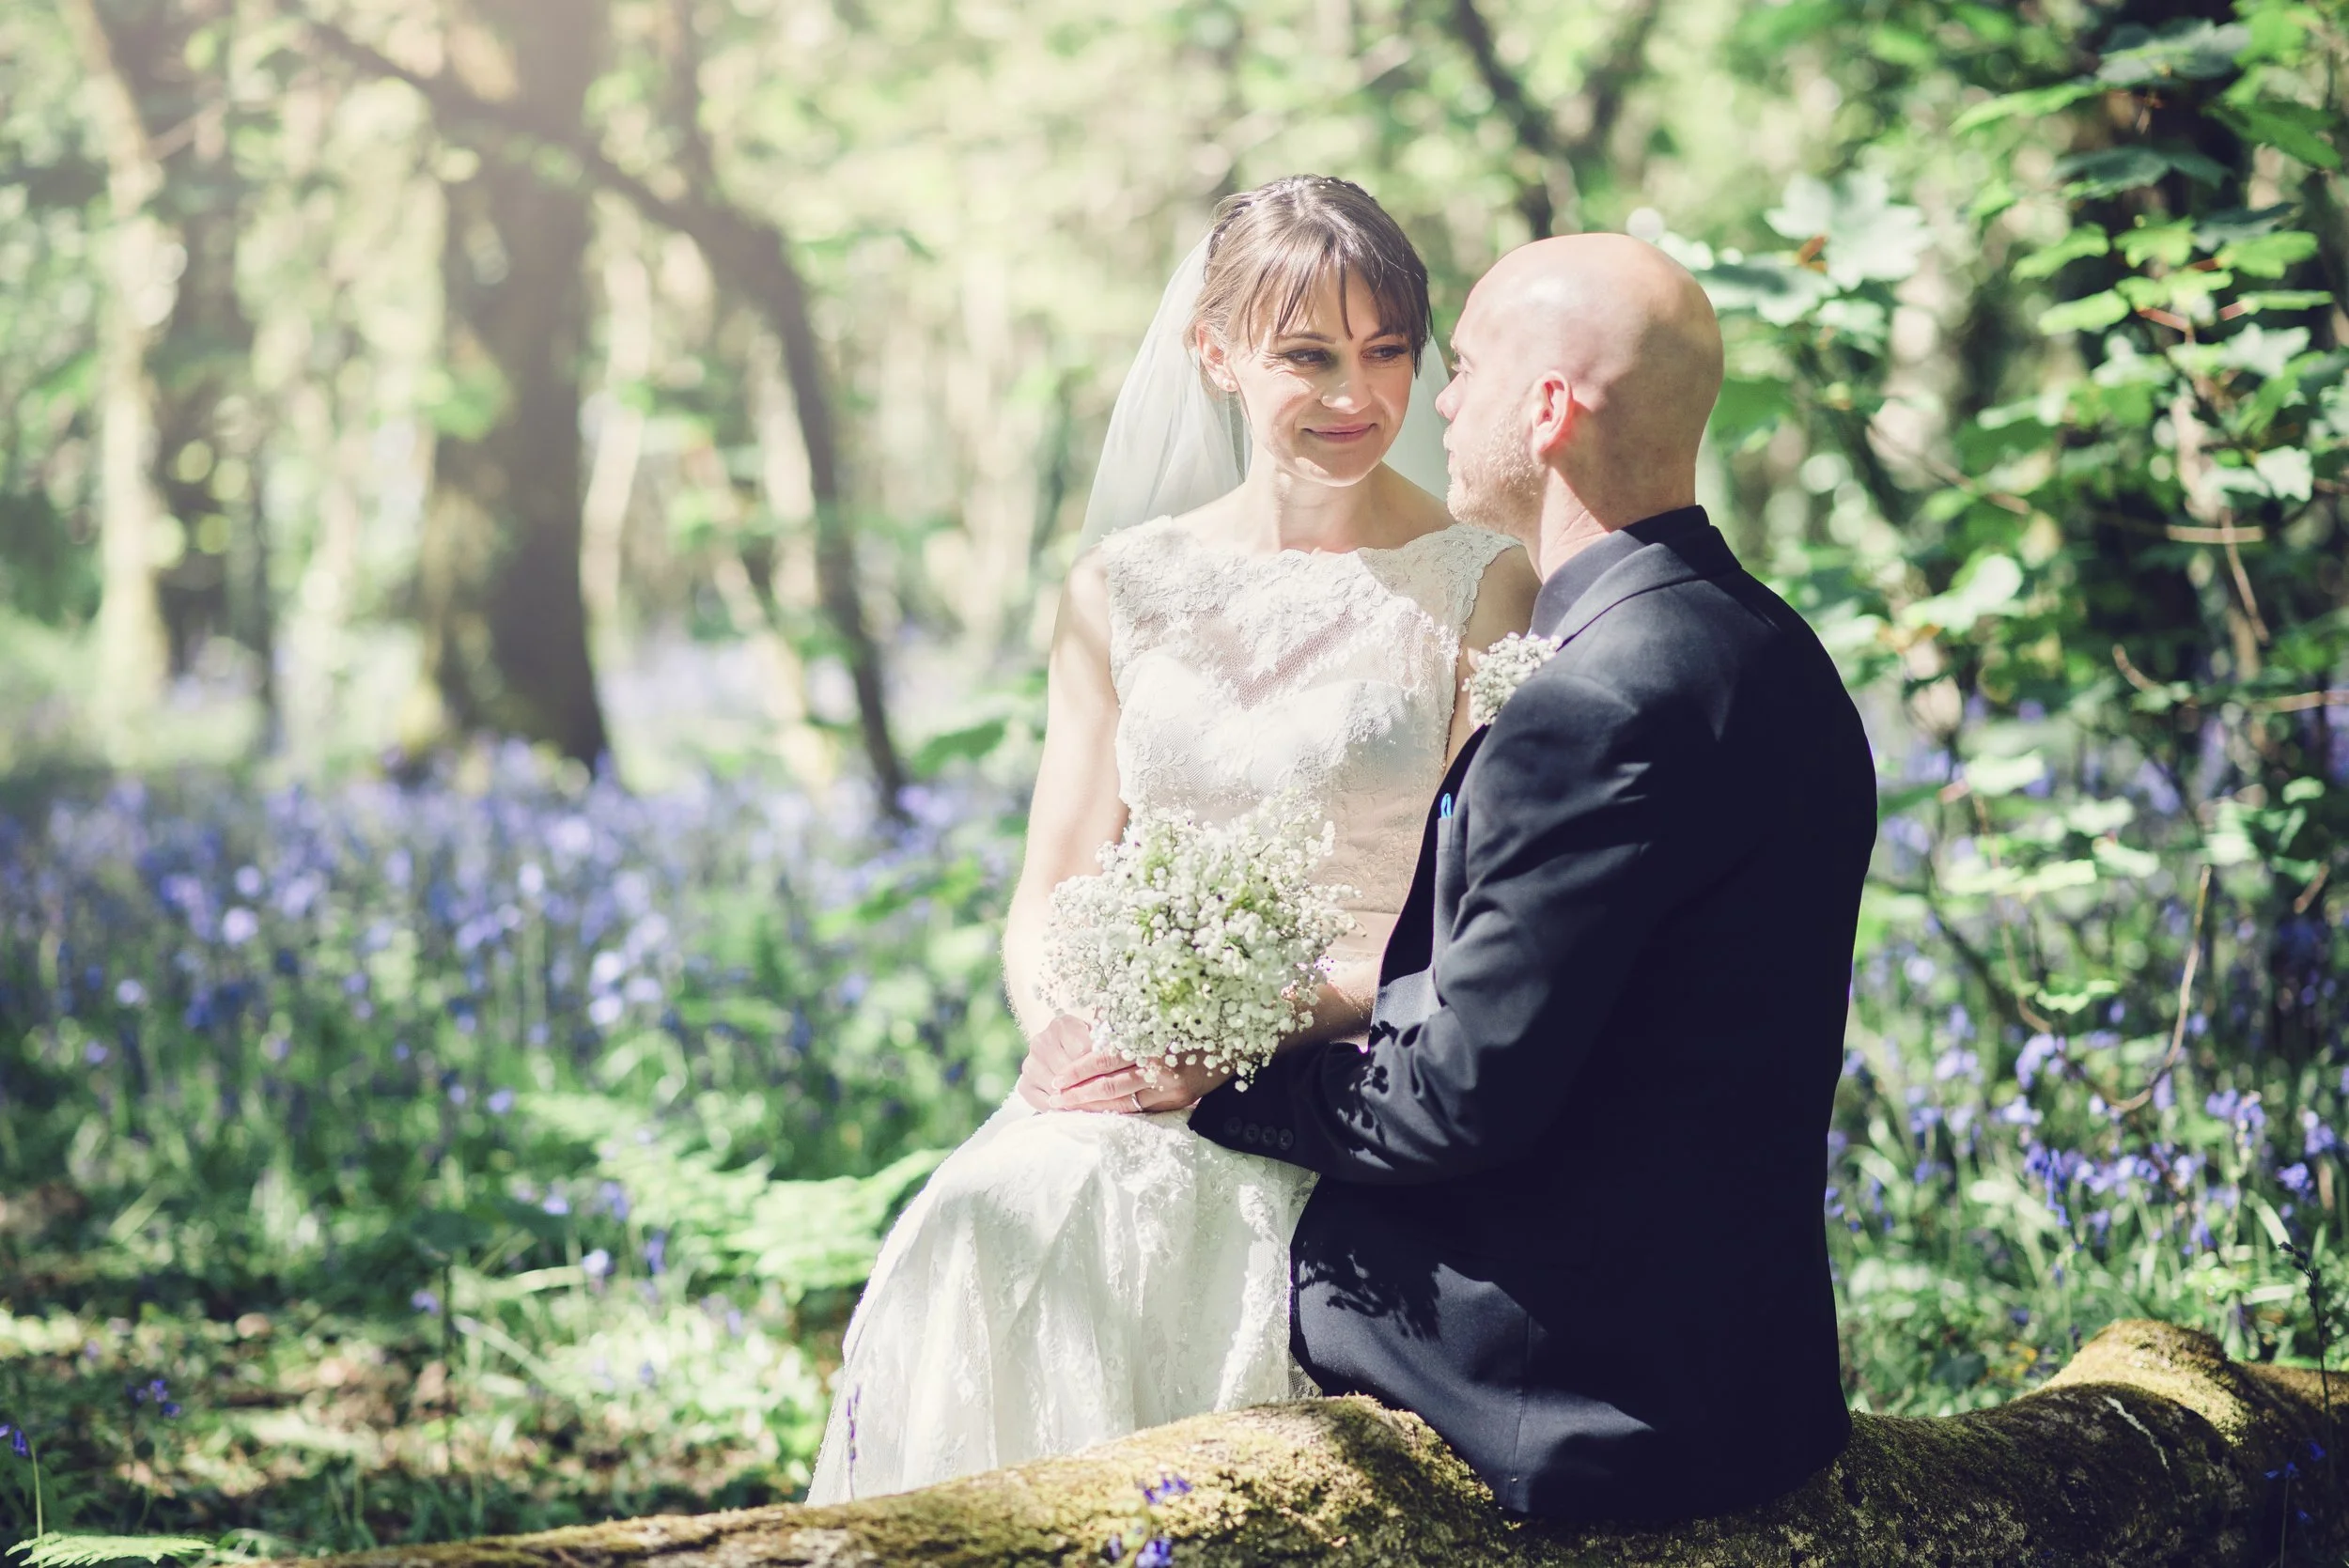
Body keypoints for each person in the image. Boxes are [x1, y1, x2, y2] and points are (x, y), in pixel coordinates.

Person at [1034, 233, 1875, 1522]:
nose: (1435, 401)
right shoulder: (1771, 648)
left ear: (1547, 412)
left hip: (1573, 1385)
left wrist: (1214, 1084)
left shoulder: (1589, 702)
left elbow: (1445, 1108)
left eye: (1460, 366)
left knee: (1164, 1258)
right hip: (1754, 1374)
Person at [802, 175, 1538, 1503]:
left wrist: (1262, 1031)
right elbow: (1052, 887)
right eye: (1307, 355)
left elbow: (1482, 924)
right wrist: (1083, 1033)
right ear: (1215, 354)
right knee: (988, 1229)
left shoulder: (1479, 581)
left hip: (1351, 1075)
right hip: (1131, 1079)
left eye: (1386, 354)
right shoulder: (1119, 588)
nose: (1353, 396)